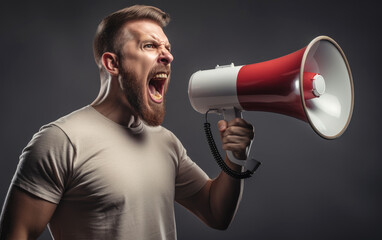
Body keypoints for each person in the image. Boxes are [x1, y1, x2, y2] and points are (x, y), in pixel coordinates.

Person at [0, 5, 254, 240]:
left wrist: (235, 156)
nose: (168, 56)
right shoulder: (60, 141)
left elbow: (215, 212)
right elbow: (16, 233)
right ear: (113, 63)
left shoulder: (166, 142)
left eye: (167, 48)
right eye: (150, 46)